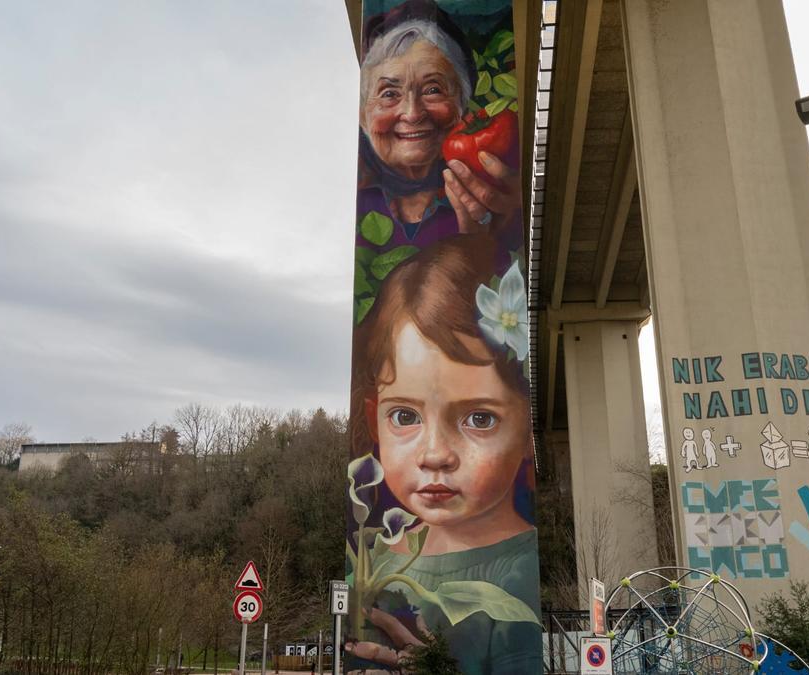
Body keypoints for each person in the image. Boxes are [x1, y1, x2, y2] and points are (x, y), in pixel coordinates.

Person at [347, 235, 540, 674]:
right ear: (375, 418)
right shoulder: (372, 557)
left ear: (528, 430)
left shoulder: (518, 576)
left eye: (479, 419)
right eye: (404, 416)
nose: (434, 455)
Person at [358, 1, 521, 250]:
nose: (412, 114)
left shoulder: (497, 189)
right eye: (389, 93)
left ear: (462, 105)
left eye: (433, 89)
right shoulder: (357, 206)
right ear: (362, 117)